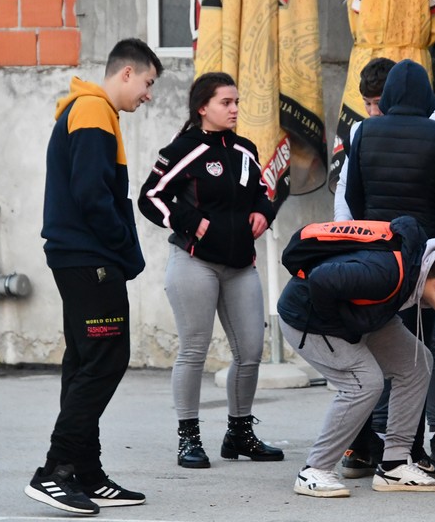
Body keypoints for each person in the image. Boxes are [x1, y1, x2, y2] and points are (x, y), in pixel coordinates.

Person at [26, 38, 163, 516]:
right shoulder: (91, 110)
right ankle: (56, 471)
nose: (148, 95)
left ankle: (85, 472)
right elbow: (92, 194)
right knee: (105, 359)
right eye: (147, 82)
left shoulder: (92, 110)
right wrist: (123, 247)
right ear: (126, 73)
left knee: (85, 362)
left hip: (79, 257)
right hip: (90, 259)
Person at [278, 216, 435, 498]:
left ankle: (394, 465)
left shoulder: (414, 271)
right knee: (364, 383)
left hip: (356, 316)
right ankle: (314, 470)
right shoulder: (385, 273)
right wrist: (343, 329)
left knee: (417, 363)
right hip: (308, 318)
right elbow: (320, 280)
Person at [138, 72, 283, 471]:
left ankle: (239, 434)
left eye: (236, 102)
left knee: (250, 352)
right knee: (194, 351)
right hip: (194, 264)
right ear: (203, 107)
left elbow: (262, 192)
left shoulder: (245, 149)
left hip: (240, 266)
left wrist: (263, 212)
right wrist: (191, 222)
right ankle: (189, 438)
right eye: (226, 102)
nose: (234, 109)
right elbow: (150, 197)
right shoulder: (183, 149)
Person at [342, 58, 435, 476]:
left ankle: (364, 446)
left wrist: (373, 229)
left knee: (369, 347)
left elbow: (353, 196)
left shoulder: (365, 130)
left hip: (375, 254)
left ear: (390, 95)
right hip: (420, 258)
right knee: (417, 354)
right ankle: (409, 449)